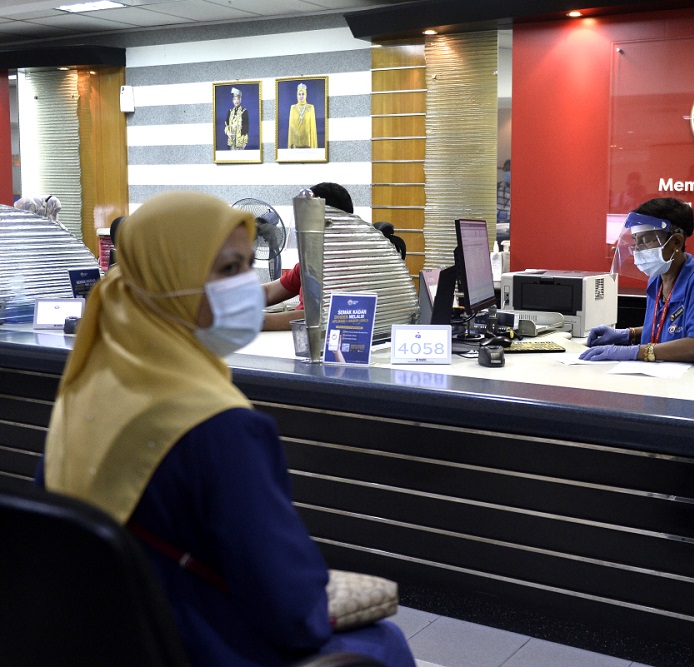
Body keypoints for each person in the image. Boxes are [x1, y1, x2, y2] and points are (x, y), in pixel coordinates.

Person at [39, 191, 415, 667]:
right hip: (206, 644)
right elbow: (291, 607)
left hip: (107, 642)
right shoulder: (222, 429)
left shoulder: (82, 393)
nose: (247, 286)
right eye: (230, 270)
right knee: (384, 644)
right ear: (170, 280)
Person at [581, 197, 694, 367]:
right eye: (636, 241)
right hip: (666, 376)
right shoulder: (657, 279)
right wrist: (628, 335)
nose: (638, 250)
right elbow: (670, 330)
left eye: (646, 241)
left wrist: (634, 351)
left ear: (676, 242)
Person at [262, 182, 353, 330]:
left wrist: (257, 321)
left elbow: (320, 316)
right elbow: (268, 293)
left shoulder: (346, 265)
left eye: (306, 217)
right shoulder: (310, 261)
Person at [288, 83, 318, 149]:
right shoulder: (293, 108)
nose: (301, 96)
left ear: (306, 95)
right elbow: (291, 126)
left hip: (307, 143)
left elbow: (312, 127)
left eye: (303, 94)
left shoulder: (310, 107)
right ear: (297, 95)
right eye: (299, 94)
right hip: (296, 143)